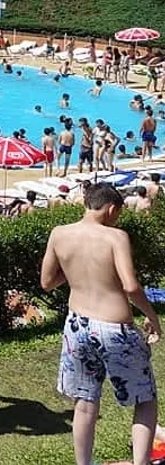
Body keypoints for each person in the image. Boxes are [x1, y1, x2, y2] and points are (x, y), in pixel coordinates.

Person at [43, 183, 161, 465]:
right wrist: (152, 317)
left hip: (77, 325)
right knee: (144, 398)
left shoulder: (59, 234)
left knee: (85, 402)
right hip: (114, 327)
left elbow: (47, 282)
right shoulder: (115, 237)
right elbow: (130, 286)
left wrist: (75, 268)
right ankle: (141, 463)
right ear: (111, 209)